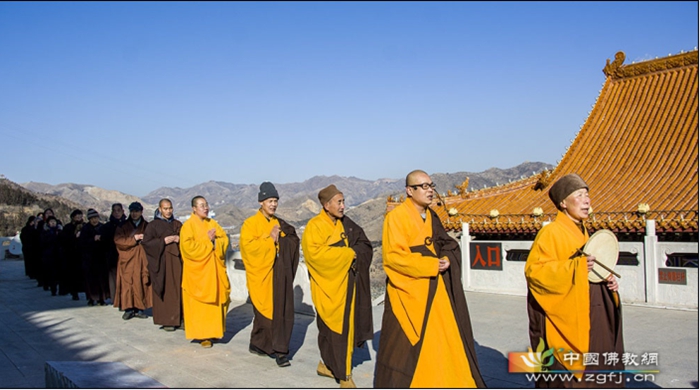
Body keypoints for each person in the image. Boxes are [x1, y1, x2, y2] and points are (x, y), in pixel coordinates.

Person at [375, 170, 485, 388]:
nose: (430, 190)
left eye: (431, 185)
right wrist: (430, 264)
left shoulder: (432, 216)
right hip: (411, 292)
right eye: (423, 186)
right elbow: (393, 258)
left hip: (437, 289)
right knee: (413, 346)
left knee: (445, 341)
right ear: (409, 190)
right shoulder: (396, 218)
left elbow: (447, 244)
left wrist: (446, 258)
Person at [525, 173, 624, 388]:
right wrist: (575, 267)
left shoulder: (586, 234)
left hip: (593, 311)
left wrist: (609, 284)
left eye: (587, 195)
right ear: (563, 203)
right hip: (567, 317)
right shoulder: (550, 233)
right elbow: (534, 272)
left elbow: (592, 273)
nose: (587, 200)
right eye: (579, 195)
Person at [301, 185, 373, 388]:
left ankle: (338, 369)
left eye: (343, 201)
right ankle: (342, 374)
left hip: (346, 285)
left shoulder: (345, 224)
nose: (343, 206)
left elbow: (363, 243)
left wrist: (354, 251)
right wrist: (349, 254)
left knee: (344, 331)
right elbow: (315, 256)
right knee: (331, 331)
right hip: (327, 287)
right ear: (326, 205)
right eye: (339, 202)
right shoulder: (314, 226)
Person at [240, 182, 300, 367]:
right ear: (261, 202)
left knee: (276, 314)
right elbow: (248, 249)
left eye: (275, 201)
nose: (273, 204)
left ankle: (276, 349)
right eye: (270, 201)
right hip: (260, 275)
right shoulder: (250, 224)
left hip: (277, 275)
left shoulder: (279, 223)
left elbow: (291, 240)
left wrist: (283, 240)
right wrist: (270, 239)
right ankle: (261, 345)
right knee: (264, 315)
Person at [179, 196, 230, 348]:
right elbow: (188, 249)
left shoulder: (212, 223)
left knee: (215, 303)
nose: (205, 208)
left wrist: (215, 241)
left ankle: (215, 331)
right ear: (194, 208)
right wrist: (207, 241)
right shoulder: (187, 226)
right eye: (201, 205)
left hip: (213, 271)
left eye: (206, 205)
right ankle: (203, 336)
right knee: (200, 306)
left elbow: (224, 240)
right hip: (198, 274)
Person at [143, 199, 184, 332]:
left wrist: (179, 239)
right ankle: (167, 320)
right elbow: (147, 243)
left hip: (177, 262)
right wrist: (163, 241)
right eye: (165, 209)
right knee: (166, 289)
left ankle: (180, 319)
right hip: (162, 263)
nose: (168, 211)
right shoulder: (153, 225)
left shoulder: (177, 224)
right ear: (160, 209)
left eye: (170, 208)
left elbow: (187, 239)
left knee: (179, 289)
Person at [114, 202, 152, 320]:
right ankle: (128, 308)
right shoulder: (123, 226)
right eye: (132, 211)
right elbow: (118, 241)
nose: (134, 214)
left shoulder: (147, 226)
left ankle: (140, 308)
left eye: (137, 211)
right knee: (127, 283)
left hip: (141, 258)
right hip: (128, 259)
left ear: (141, 212)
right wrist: (134, 239)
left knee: (141, 281)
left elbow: (153, 240)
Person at [80, 209, 109, 306]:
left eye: (96, 218)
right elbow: (82, 243)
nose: (94, 220)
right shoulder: (85, 228)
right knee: (90, 280)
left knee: (101, 279)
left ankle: (101, 299)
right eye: (92, 218)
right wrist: (93, 239)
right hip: (89, 258)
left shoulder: (102, 227)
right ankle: (91, 298)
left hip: (101, 258)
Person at [102, 203, 127, 303]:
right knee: (113, 278)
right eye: (114, 211)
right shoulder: (107, 227)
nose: (117, 213)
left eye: (119, 210)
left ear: (122, 211)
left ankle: (125, 299)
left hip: (125, 255)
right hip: (112, 256)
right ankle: (116, 299)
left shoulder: (127, 224)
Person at [60, 209, 85, 300]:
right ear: (73, 218)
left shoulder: (85, 226)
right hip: (71, 255)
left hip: (83, 254)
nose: (79, 218)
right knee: (73, 276)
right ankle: (74, 293)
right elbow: (63, 240)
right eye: (77, 217)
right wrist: (74, 237)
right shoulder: (68, 227)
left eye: (80, 217)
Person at [40, 216, 62, 296]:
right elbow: (43, 242)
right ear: (48, 223)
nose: (53, 223)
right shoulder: (45, 232)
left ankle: (61, 289)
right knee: (52, 273)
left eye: (54, 221)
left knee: (60, 273)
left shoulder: (60, 230)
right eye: (51, 221)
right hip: (49, 255)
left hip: (59, 254)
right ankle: (53, 289)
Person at [20, 216, 40, 280]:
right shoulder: (25, 229)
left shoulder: (36, 229)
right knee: (29, 261)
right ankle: (30, 273)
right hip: (28, 247)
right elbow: (23, 238)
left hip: (34, 248)